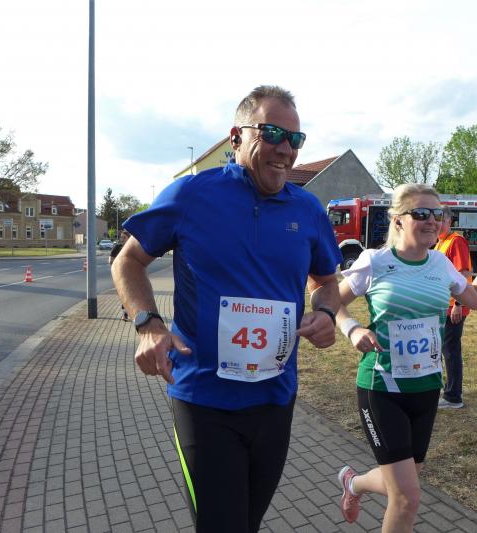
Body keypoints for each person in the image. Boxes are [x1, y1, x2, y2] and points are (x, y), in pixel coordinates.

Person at [111, 85, 342, 533]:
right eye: (272, 133)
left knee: (247, 523)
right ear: (236, 137)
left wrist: (327, 314)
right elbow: (128, 260)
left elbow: (328, 283)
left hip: (276, 399)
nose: (285, 149)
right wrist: (148, 324)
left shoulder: (308, 209)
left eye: (295, 138)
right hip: (204, 400)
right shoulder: (191, 195)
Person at [334, 184, 477, 532]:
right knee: (407, 498)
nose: (432, 221)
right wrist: (352, 329)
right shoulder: (375, 261)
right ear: (398, 220)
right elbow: (330, 302)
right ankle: (355, 484)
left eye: (437, 214)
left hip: (426, 387)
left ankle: (353, 483)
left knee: (403, 484)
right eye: (421, 213)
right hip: (381, 386)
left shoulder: (441, 263)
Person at [433, 206, 472, 409]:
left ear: (449, 221)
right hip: (443, 305)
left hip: (453, 306)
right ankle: (447, 390)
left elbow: (463, 273)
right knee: (444, 348)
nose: (437, 224)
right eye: (435, 219)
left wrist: (458, 303)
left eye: (441, 220)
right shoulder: (441, 242)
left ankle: (453, 396)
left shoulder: (456, 241)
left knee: (450, 350)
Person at [109, 230, 130, 321]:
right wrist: (118, 265)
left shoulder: (132, 248)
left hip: (131, 274)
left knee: (129, 294)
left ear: (129, 238)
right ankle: (125, 313)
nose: (122, 239)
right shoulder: (117, 247)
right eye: (121, 237)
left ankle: (128, 312)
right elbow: (110, 260)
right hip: (120, 274)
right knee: (124, 294)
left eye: (124, 237)